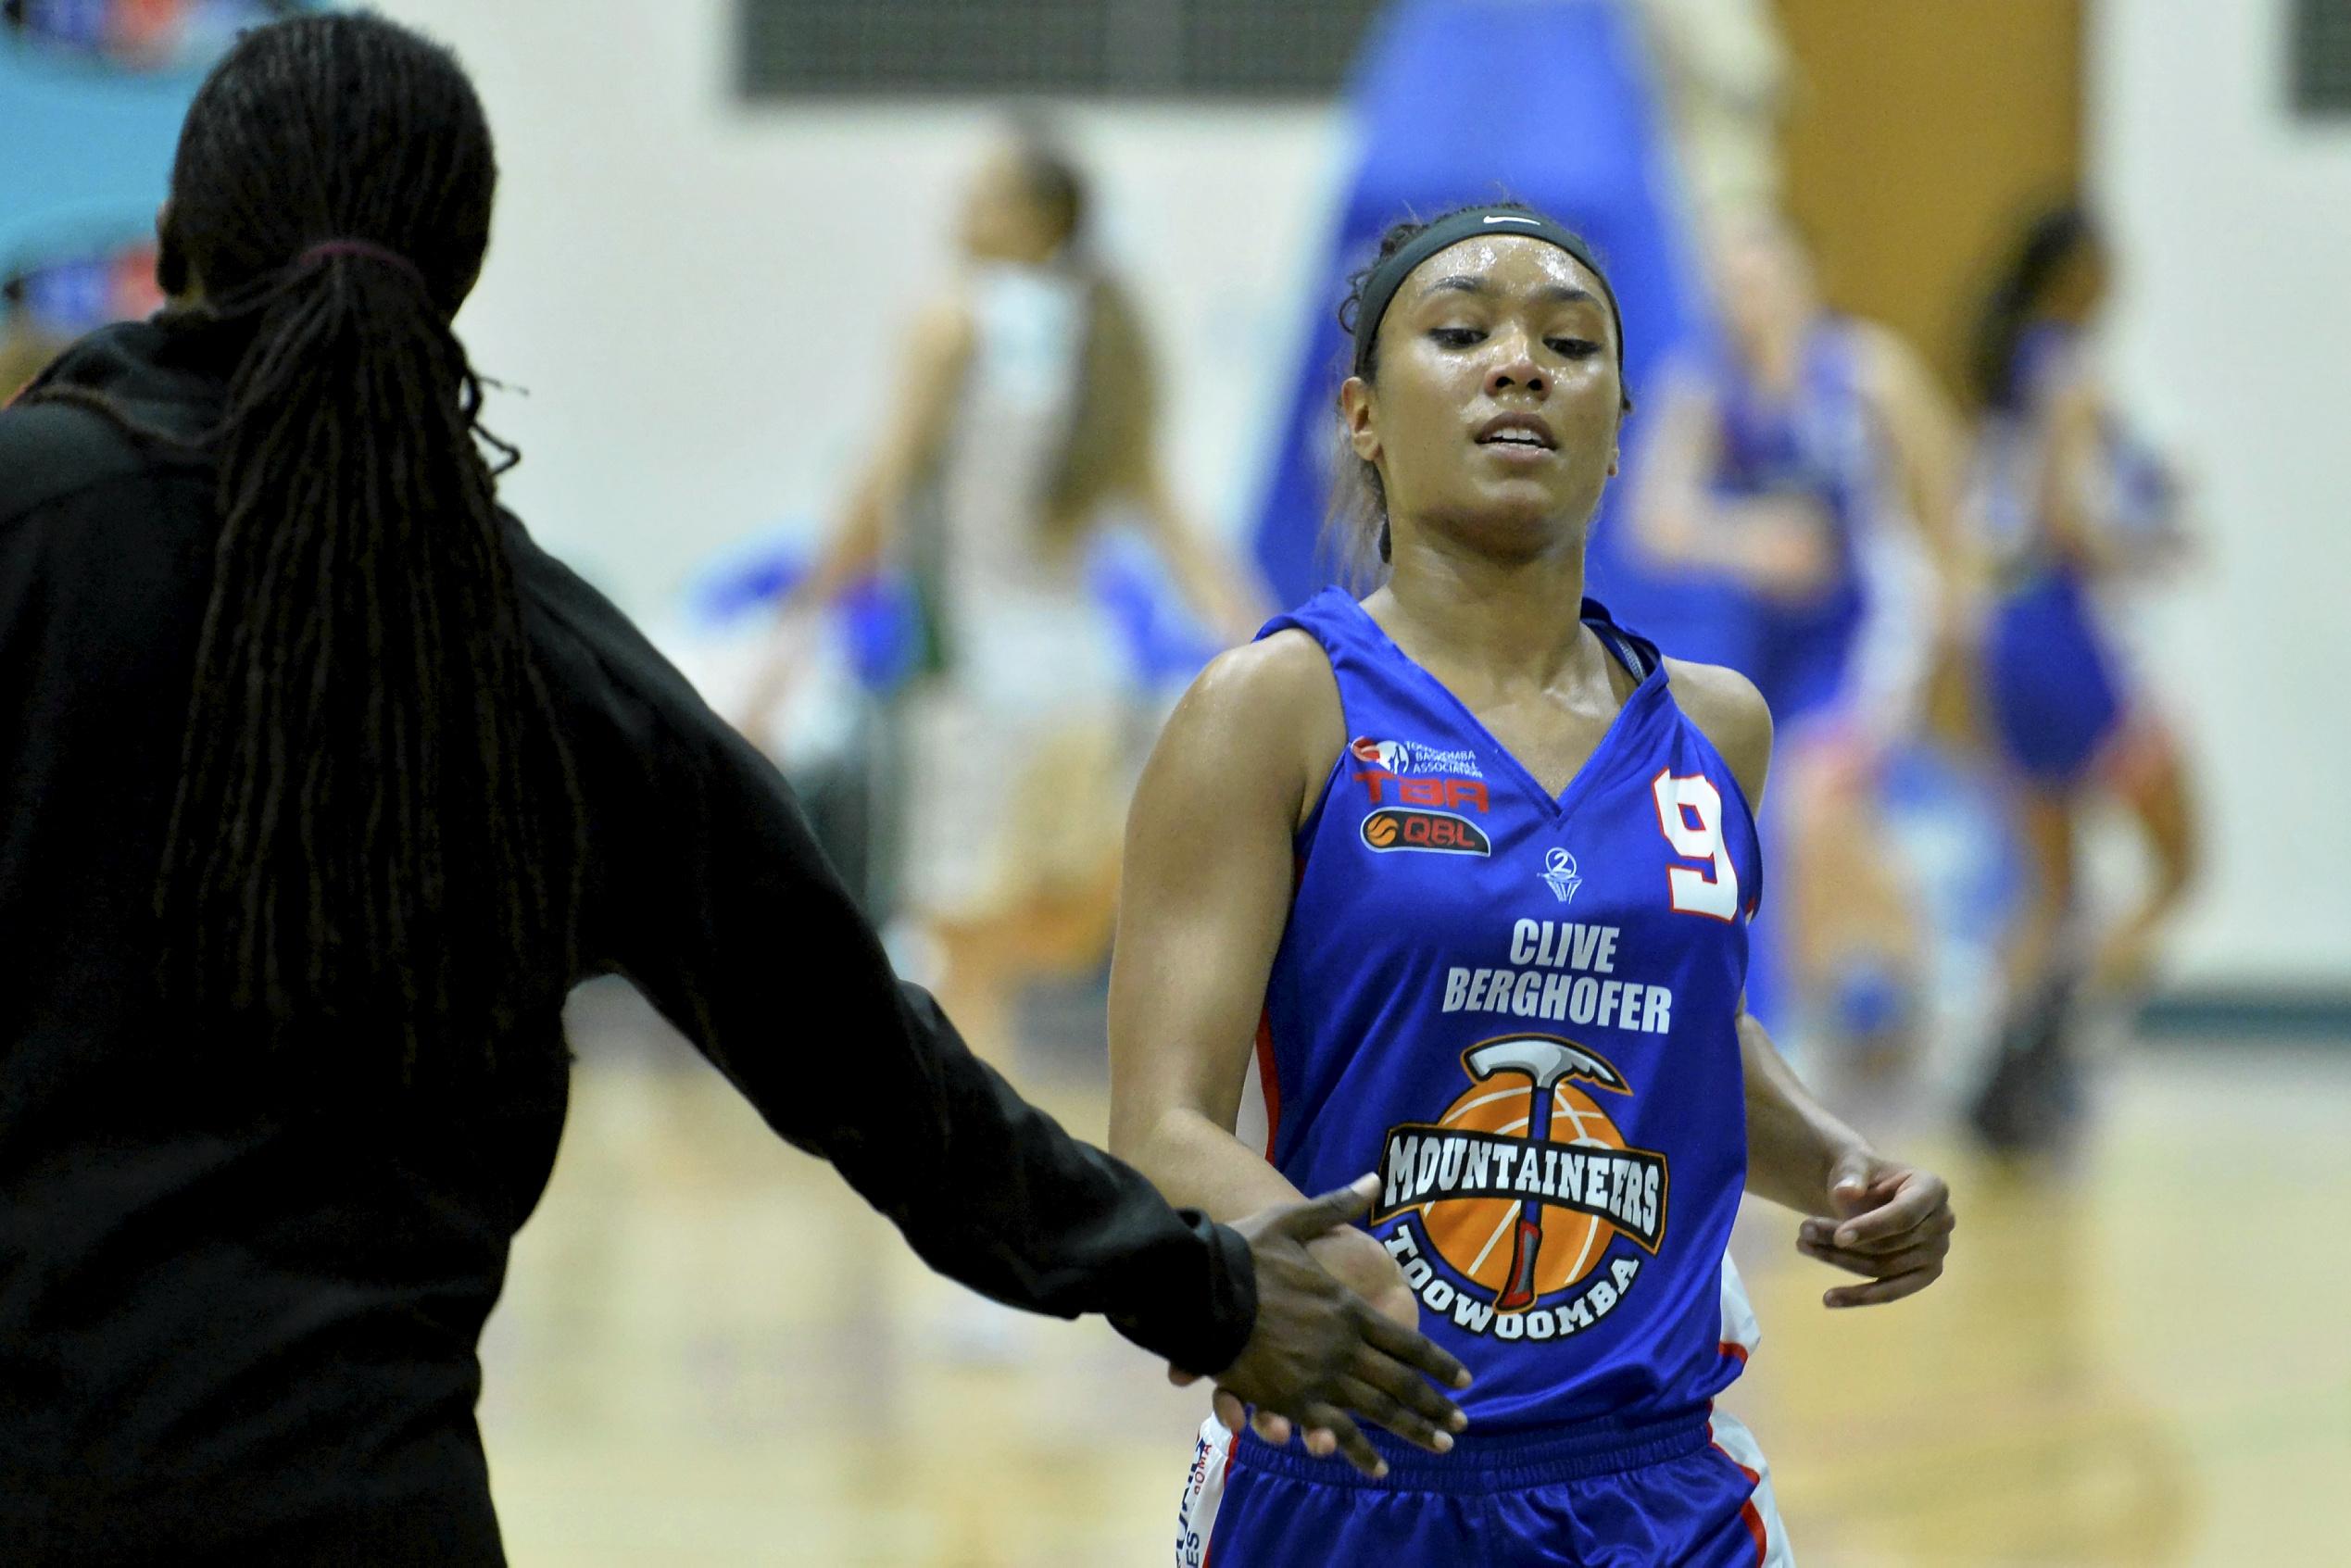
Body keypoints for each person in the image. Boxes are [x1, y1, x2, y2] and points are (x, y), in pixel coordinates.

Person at [0, 17, 1468, 1563]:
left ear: (175, 245)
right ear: (459, 277)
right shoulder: (555, 664)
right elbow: (874, 1070)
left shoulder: (28, 536)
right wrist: (1202, 1286)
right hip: (371, 1507)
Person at [1107, 204, 1955, 1564]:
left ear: (1617, 428)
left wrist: (1842, 1163)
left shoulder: (1712, 729)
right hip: (1348, 1476)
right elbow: (1157, 1124)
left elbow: (1685, 1030)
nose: (1519, 365)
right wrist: (1294, 1248)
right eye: (1459, 334)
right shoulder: (1271, 707)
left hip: (1657, 1485)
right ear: (1363, 416)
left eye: (1568, 344)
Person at [740, 126, 1265, 1065]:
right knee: (1056, 935)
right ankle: (1006, 1146)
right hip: (1084, 675)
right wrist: (1270, 639)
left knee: (959, 944)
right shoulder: (1100, 332)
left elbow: (880, 487)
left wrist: (794, 630)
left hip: (975, 682)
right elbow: (1174, 521)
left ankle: (986, 1185)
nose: (958, 210)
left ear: (1035, 219)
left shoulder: (954, 321)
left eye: (982, 192)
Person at [1628, 210, 1971, 1068]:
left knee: (1811, 804)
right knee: (1795, 830)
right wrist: (1745, 538)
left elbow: (1946, 476)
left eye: (1763, 278)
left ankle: (1815, 1036)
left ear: (1804, 277)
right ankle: (1909, 961)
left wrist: (1962, 596)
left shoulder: (1866, 374)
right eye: (1733, 285)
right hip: (1771, 644)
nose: (1750, 300)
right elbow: (1653, 521)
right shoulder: (1705, 388)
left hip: (1870, 631)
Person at [1963, 205, 2196, 1154]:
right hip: (2065, 636)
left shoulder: (2010, 370)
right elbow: (2068, 517)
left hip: (2008, 640)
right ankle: (2058, 1034)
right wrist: (2144, 544)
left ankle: (1997, 1066)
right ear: (2077, 273)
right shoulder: (2068, 371)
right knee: (2182, 861)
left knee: (2050, 891)